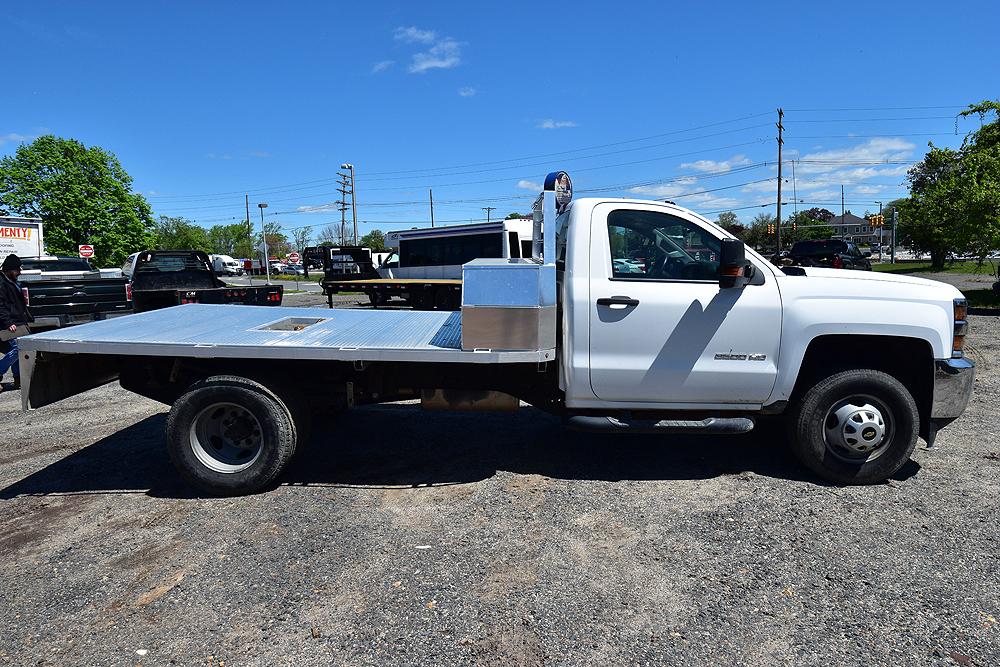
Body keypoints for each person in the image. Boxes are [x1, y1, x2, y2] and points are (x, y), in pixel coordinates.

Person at [0, 254, 34, 392]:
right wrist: (8, 322)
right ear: (9, 269)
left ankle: (18, 378)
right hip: (8, 323)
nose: (19, 272)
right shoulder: (1, 283)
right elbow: (0, 305)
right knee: (19, 348)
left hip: (18, 321)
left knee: (17, 350)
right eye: (17, 270)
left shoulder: (11, 280)